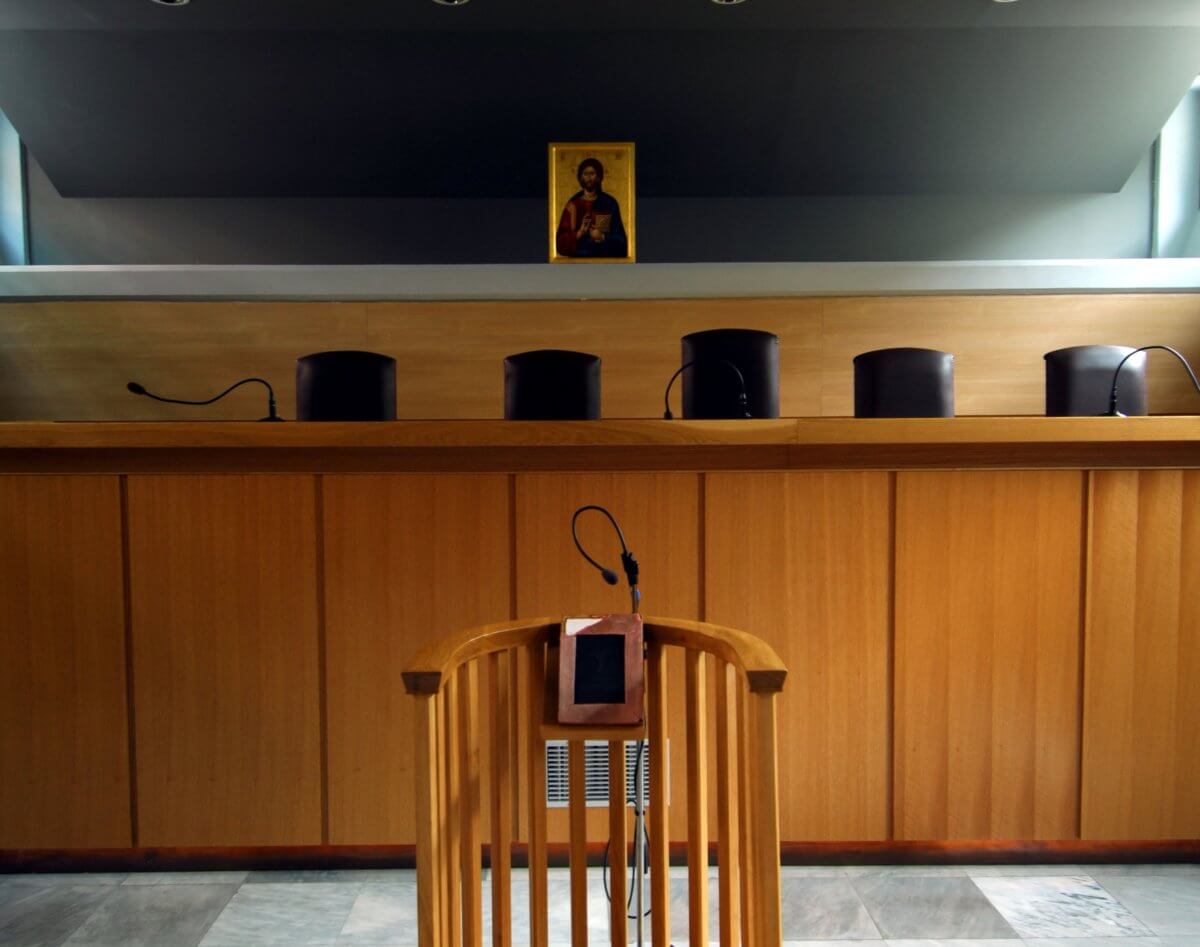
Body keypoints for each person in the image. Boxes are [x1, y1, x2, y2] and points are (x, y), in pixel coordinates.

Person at [555, 157, 628, 258]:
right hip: (578, 261)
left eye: (592, 173)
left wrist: (602, 237)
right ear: (580, 177)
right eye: (585, 174)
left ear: (598, 177)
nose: (588, 178)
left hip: (604, 260)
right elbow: (560, 244)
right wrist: (579, 233)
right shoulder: (573, 205)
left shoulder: (609, 203)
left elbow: (621, 242)